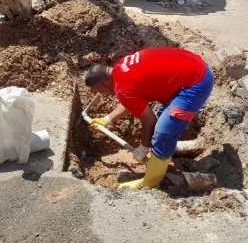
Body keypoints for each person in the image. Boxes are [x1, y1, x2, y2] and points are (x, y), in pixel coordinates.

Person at [84, 47, 214, 190]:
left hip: (196, 83)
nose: (101, 94)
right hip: (193, 67)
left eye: (98, 91)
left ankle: (151, 183)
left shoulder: (122, 88)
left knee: (162, 133)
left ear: (103, 85)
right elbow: (132, 102)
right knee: (160, 127)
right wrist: (106, 120)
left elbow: (149, 120)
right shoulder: (120, 68)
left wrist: (143, 148)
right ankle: (166, 155)